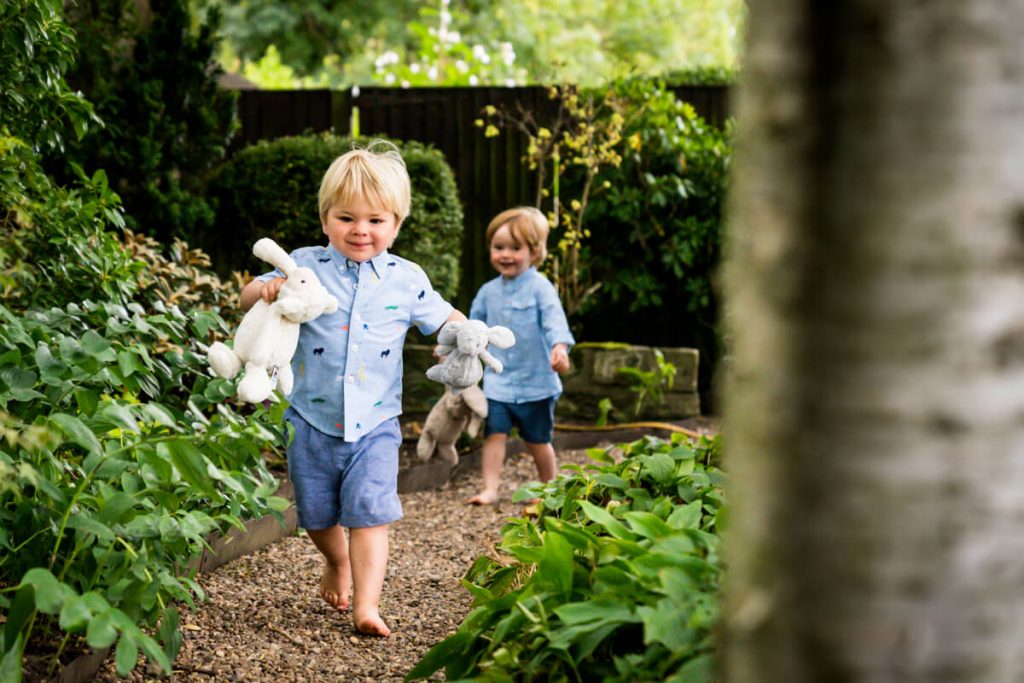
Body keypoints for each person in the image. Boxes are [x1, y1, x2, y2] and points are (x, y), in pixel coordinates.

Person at [240, 140, 465, 637]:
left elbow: (446, 318)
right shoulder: (301, 266)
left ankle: (368, 603)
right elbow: (246, 295)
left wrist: (461, 340)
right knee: (317, 517)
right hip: (311, 419)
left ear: (396, 223)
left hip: (376, 424)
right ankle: (336, 562)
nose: (360, 230)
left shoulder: (408, 280)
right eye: (346, 218)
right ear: (325, 220)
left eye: (375, 220)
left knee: (369, 515)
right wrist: (267, 289)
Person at [465, 206, 575, 506]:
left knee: (537, 440)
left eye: (515, 248)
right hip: (499, 382)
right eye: (499, 247)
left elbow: (554, 321)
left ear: (534, 252)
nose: (506, 254)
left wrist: (559, 348)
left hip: (536, 383)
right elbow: (473, 327)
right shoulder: (487, 292)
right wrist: (455, 348)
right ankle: (489, 489)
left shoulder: (541, 289)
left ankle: (549, 488)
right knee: (494, 435)